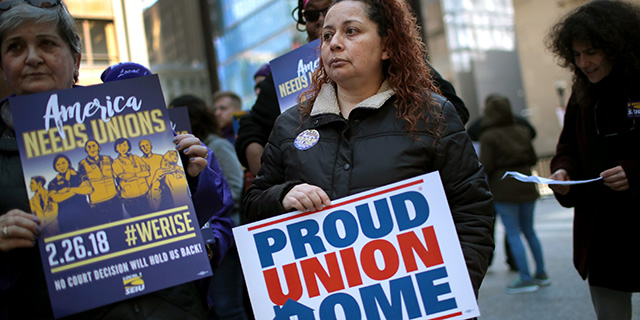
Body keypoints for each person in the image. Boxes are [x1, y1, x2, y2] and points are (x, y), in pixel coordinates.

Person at [242, 0, 494, 300]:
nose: (334, 44)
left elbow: (471, 211)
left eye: (351, 31)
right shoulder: (289, 126)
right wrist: (282, 196)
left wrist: (455, 287)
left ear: (387, 45)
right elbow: (253, 206)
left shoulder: (433, 114)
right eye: (326, 35)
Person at [0, 3, 233, 318]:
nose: (32, 57)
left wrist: (194, 178)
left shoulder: (140, 124)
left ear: (76, 59)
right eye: (15, 47)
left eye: (47, 43)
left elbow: (212, 219)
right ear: (3, 64)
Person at [235, 0, 470, 177]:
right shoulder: (283, 78)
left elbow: (452, 114)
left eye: (328, 7)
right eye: (311, 14)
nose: (320, 19)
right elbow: (250, 132)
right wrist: (281, 184)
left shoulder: (393, 64)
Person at [546, 1, 640, 318]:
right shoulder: (583, 90)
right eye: (576, 54)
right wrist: (562, 172)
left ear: (617, 46)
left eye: (592, 51)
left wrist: (634, 171)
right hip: (603, 232)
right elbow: (568, 145)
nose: (584, 62)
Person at [168, 94, 247, 320]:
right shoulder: (179, 153)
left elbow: (234, 185)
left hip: (223, 234)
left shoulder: (215, 146)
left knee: (227, 306)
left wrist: (208, 190)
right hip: (207, 236)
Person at [478, 94, 549, 293]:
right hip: (527, 184)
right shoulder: (522, 131)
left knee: (513, 233)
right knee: (530, 231)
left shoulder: (489, 136)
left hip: (503, 188)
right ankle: (541, 273)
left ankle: (525, 277)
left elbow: (486, 166)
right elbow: (533, 158)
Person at [77, 139, 123, 225]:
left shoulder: (108, 159)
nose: (92, 149)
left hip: (114, 200)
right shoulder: (82, 164)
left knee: (120, 226)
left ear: (99, 148)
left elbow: (117, 174)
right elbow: (83, 183)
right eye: (89, 147)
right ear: (86, 150)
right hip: (97, 204)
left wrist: (120, 189)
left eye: (94, 146)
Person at [47, 154, 91, 232]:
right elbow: (55, 198)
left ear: (68, 163)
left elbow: (88, 189)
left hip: (84, 213)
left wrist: (68, 190)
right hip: (65, 218)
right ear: (55, 167)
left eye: (63, 163)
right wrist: (78, 190)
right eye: (58, 164)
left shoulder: (79, 175)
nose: (61, 166)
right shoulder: (53, 183)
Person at [112, 137, 152, 216]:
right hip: (130, 199)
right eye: (119, 146)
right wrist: (140, 174)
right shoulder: (116, 163)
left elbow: (147, 173)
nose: (123, 148)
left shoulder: (136, 158)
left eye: (124, 145)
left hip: (144, 195)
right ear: (116, 148)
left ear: (128, 146)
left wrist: (133, 175)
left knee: (150, 218)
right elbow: (124, 177)